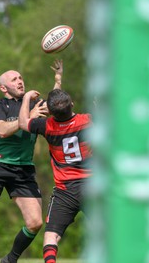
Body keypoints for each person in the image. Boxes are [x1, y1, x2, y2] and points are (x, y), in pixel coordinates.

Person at [0, 60, 63, 263]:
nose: (20, 81)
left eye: (21, 77)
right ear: (3, 87)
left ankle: (10, 259)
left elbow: (55, 105)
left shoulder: (35, 105)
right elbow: (1, 130)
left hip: (24, 170)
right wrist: (29, 115)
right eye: (14, 79)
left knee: (35, 223)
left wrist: (58, 80)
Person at [18, 60, 92, 263]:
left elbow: (23, 122)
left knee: (51, 236)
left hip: (65, 190)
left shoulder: (47, 127)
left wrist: (26, 99)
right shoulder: (88, 121)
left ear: (50, 113)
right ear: (73, 105)